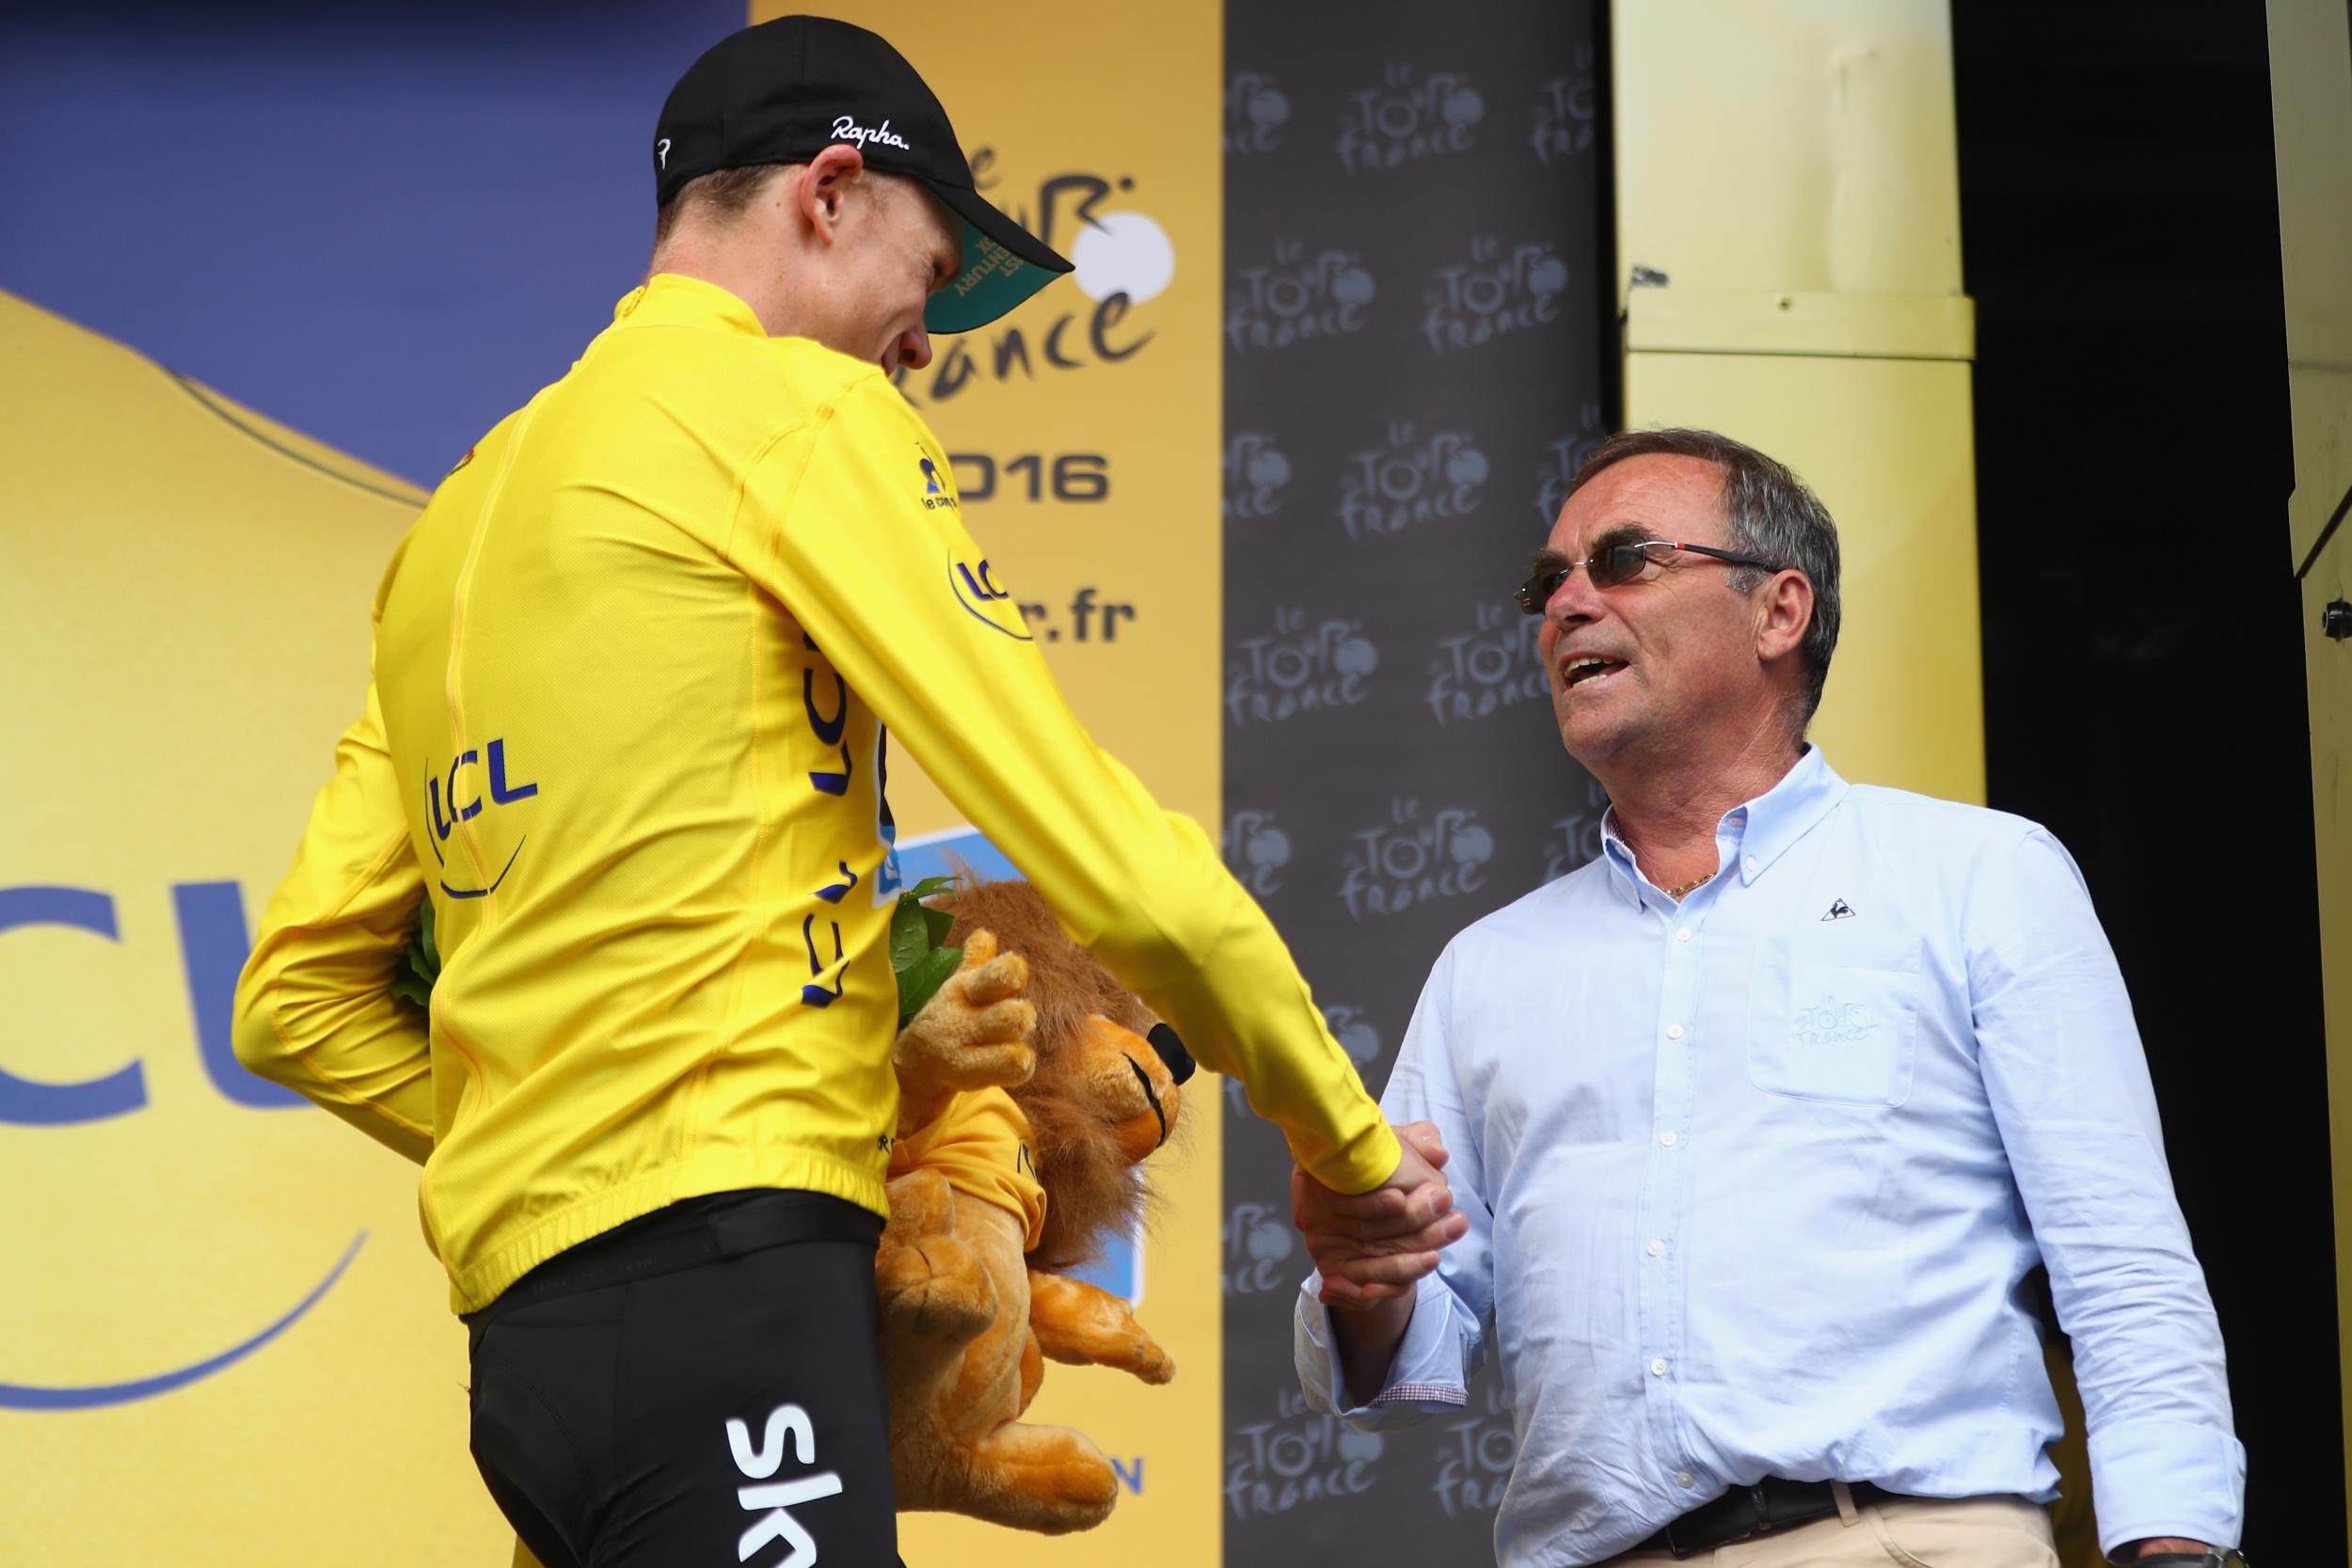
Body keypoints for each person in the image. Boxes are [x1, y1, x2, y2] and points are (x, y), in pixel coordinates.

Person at [230, 17, 1456, 1567]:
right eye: (933, 275)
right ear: (827, 192)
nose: (927, 340)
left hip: (531, 1354)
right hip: (732, 1308)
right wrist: (1343, 1148)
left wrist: (572, 1137)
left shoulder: (461, 517)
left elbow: (293, 1000)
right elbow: (1116, 866)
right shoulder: (796, 418)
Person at [1290, 428, 2245, 1567]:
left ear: (1778, 612)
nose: (1567, 605)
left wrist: (2175, 1546)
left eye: (1626, 558)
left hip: (1900, 1539)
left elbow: (2123, 1264)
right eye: (1548, 582)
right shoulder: (1486, 966)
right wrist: (1362, 1281)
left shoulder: (1980, 875)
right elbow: (1407, 1368)